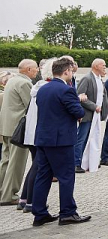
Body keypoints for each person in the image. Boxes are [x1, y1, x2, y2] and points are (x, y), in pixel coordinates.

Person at [31, 57, 90, 226]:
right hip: (60, 140)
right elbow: (78, 112)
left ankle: (39, 213)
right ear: (66, 72)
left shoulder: (43, 88)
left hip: (43, 138)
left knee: (43, 175)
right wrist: (78, 100)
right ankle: (68, 213)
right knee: (66, 176)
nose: (72, 74)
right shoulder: (66, 90)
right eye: (71, 71)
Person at [18, 58, 56, 212]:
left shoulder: (39, 86)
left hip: (34, 131)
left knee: (36, 166)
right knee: (39, 167)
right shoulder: (46, 88)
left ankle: (25, 198)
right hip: (39, 133)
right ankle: (30, 201)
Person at [0, 58, 37, 205]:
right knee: (16, 163)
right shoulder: (24, 83)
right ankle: (9, 195)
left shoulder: (12, 81)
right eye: (35, 68)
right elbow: (31, 105)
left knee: (5, 160)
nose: (37, 70)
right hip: (18, 129)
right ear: (28, 69)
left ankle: (2, 191)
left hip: (7, 127)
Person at [75, 58, 108, 173]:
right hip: (88, 115)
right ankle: (76, 162)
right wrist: (94, 107)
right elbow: (80, 96)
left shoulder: (99, 79)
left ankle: (89, 161)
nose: (105, 67)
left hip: (96, 115)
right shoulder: (87, 78)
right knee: (82, 139)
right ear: (95, 66)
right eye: (103, 65)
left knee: (93, 139)